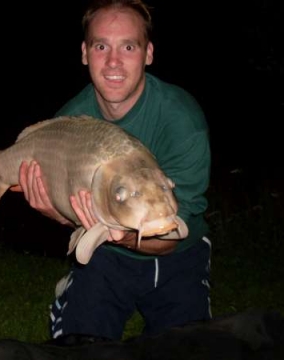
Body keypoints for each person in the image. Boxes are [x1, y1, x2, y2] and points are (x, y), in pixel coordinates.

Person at [15, 0, 212, 345]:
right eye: (101, 46)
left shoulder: (183, 121)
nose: (114, 62)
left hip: (181, 256)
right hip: (105, 257)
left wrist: (119, 233)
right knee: (78, 343)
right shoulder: (69, 123)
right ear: (84, 53)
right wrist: (58, 214)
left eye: (129, 46)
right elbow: (74, 214)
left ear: (148, 53)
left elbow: (177, 231)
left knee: (187, 349)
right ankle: (78, 292)